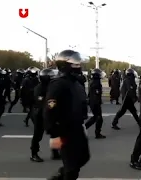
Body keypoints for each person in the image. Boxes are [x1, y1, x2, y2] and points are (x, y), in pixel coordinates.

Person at [43, 50, 90, 180]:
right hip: (65, 129)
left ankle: (59, 177)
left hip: (78, 127)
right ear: (64, 65)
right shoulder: (59, 83)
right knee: (71, 169)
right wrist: (54, 134)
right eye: (75, 64)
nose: (79, 66)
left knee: (84, 157)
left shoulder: (75, 82)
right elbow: (49, 109)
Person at [30, 68, 60, 162]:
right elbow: (44, 103)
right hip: (39, 114)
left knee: (55, 133)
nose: (53, 78)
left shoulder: (51, 87)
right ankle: (34, 154)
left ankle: (55, 153)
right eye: (50, 77)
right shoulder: (39, 88)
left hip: (49, 114)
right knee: (38, 135)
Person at [85, 68, 106, 139]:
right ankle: (97, 134)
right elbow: (95, 95)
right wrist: (97, 103)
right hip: (95, 103)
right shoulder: (96, 83)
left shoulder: (93, 81)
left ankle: (83, 129)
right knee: (99, 118)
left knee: (95, 118)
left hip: (93, 102)